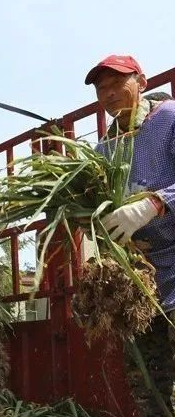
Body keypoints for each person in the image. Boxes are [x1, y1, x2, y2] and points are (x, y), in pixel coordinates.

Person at [87, 55, 175, 416]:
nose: (108, 95)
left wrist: (153, 204)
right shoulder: (103, 150)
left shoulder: (168, 119)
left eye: (115, 84)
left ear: (142, 81)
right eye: (101, 89)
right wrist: (108, 238)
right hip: (142, 283)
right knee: (147, 387)